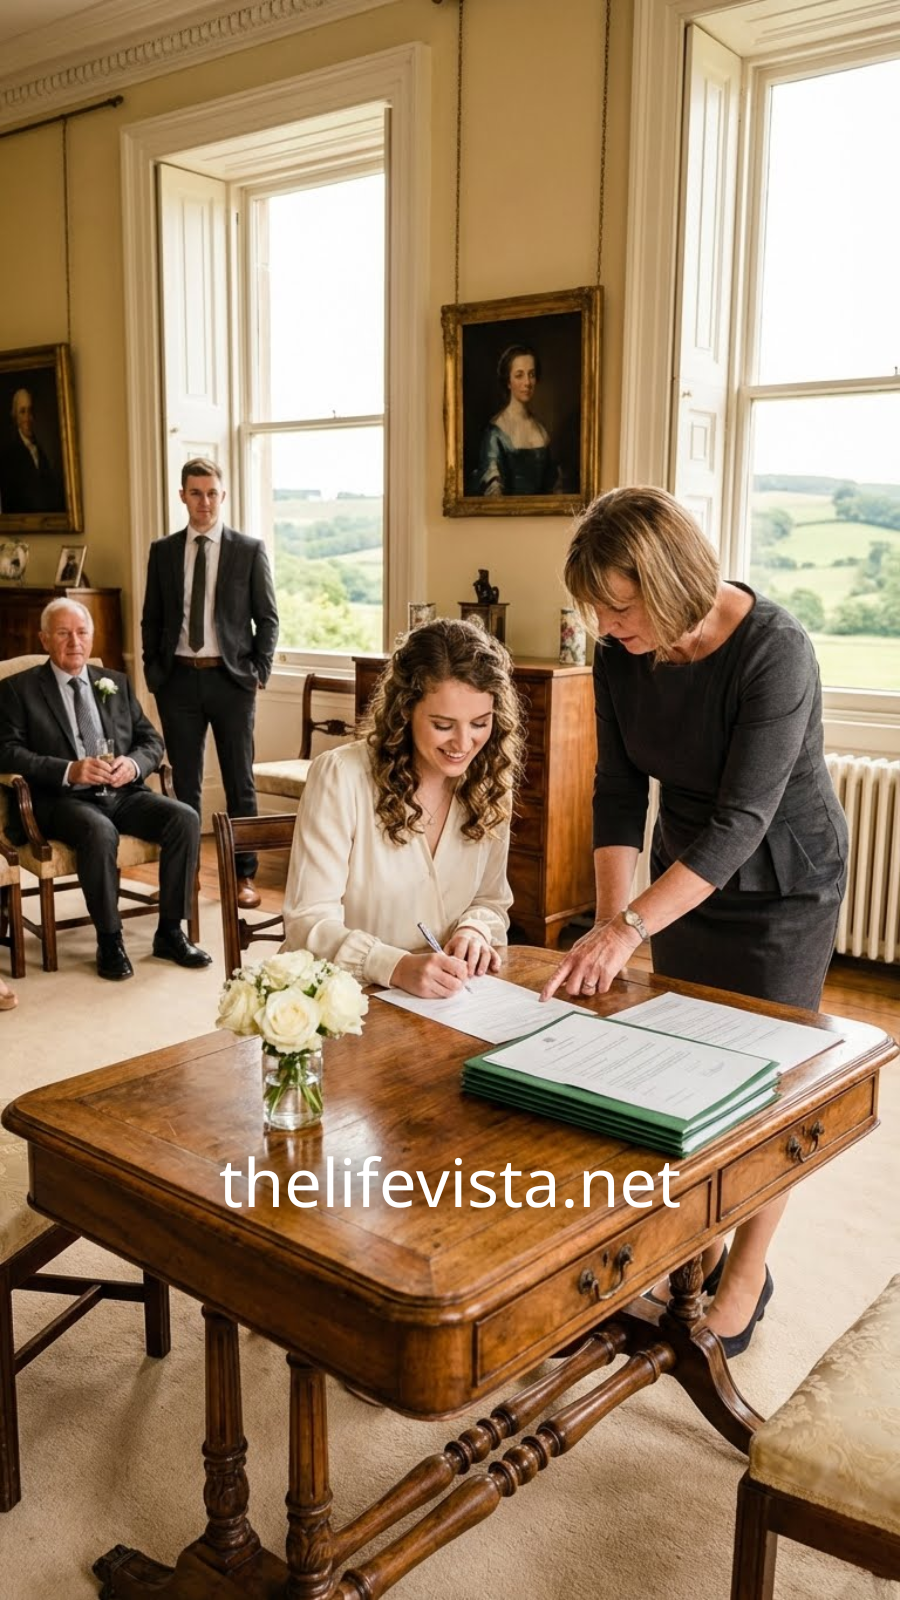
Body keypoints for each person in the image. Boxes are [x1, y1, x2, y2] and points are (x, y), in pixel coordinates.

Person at [541, 486, 849, 1357]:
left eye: (619, 606)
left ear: (671, 580)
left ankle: (746, 1275)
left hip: (783, 885)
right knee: (680, 1068)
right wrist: (612, 924)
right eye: (595, 609)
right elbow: (616, 790)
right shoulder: (619, 654)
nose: (605, 626)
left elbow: (743, 821)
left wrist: (630, 928)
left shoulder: (775, 650)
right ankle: (695, 1247)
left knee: (766, 1089)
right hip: (683, 882)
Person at [282, 618, 524, 996]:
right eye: (443, 725)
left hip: (446, 1003)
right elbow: (307, 923)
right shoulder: (341, 776)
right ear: (405, 710)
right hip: (344, 998)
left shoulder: (489, 785)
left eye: (480, 723)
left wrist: (475, 929)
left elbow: (490, 901)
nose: (464, 743)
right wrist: (393, 966)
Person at [0, 599, 212, 981]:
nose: (74, 642)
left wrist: (133, 764)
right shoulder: (18, 689)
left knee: (185, 818)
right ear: (44, 639)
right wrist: (70, 770)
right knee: (99, 831)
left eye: (82, 632)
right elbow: (7, 752)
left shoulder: (115, 682)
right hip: (61, 799)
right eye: (63, 633)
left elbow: (151, 741)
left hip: (122, 793)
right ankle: (110, 940)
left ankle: (170, 932)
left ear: (92, 636)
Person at [141, 458, 279, 911]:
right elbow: (152, 618)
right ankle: (186, 879)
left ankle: (243, 876)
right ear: (182, 495)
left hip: (231, 681)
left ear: (223, 496)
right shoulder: (163, 551)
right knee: (185, 786)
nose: (205, 502)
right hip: (177, 681)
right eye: (196, 493)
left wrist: (258, 671)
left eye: (212, 493)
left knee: (240, 783)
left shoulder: (248, 549)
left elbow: (268, 618)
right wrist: (154, 672)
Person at [472, 345, 560, 497]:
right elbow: (492, 489)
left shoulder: (541, 431)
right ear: (508, 382)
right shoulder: (495, 433)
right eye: (519, 375)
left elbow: (552, 486)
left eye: (531, 375)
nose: (527, 382)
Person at [0, 388, 64, 514]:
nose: (27, 418)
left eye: (30, 411)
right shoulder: (9, 455)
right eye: (22, 412)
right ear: (16, 417)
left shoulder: (40, 451)